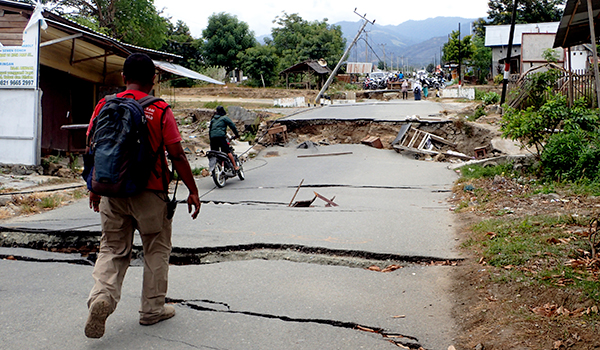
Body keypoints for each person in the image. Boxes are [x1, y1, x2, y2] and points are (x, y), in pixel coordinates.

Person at [84, 53, 201, 339]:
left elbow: (91, 147)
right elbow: (177, 154)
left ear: (123, 78)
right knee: (156, 249)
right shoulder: (159, 108)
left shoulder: (104, 105)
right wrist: (193, 190)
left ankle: (103, 297)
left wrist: (94, 187)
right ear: (153, 80)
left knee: (112, 249)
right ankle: (152, 310)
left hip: (112, 190)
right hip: (151, 193)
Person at [209, 106, 240, 171]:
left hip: (212, 138)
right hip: (221, 137)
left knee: (215, 153)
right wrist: (237, 135)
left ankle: (215, 168)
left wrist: (211, 138)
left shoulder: (213, 119)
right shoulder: (224, 118)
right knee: (227, 151)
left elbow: (210, 129)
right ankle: (235, 166)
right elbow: (232, 126)